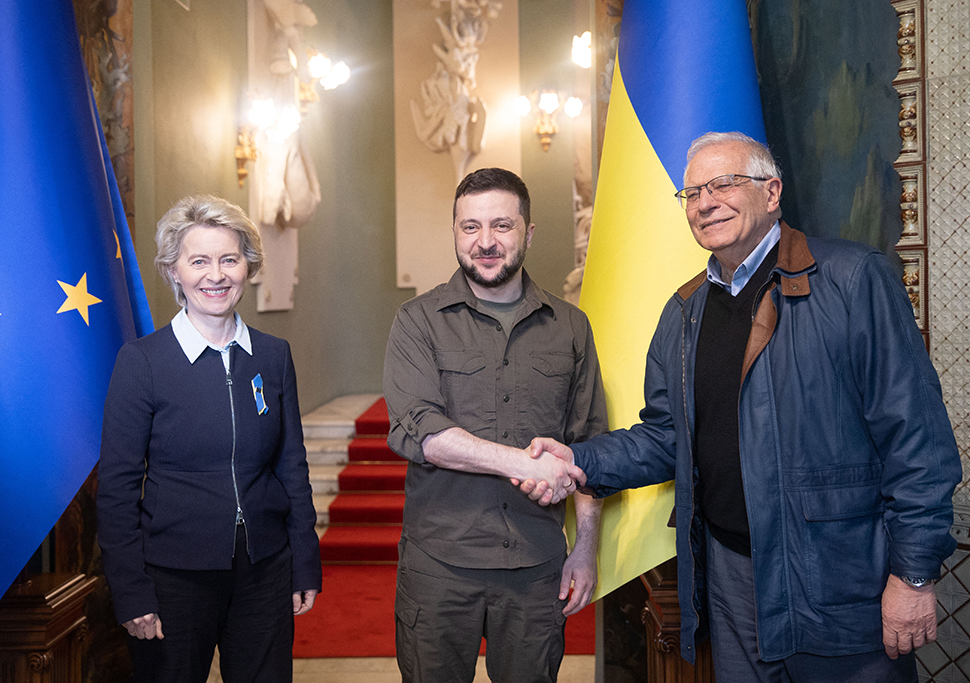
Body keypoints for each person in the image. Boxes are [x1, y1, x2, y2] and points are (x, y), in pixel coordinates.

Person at [524, 132, 961, 683]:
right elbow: (666, 438)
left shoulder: (852, 281)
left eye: (723, 183)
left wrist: (914, 575)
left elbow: (917, 440)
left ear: (772, 191)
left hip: (838, 579)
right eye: (691, 193)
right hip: (730, 580)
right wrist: (576, 460)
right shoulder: (683, 314)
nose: (705, 202)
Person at [382, 167, 607, 683]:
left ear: (528, 233)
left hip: (537, 568)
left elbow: (590, 446)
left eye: (502, 226)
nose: (485, 242)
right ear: (455, 231)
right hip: (440, 567)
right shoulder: (417, 321)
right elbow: (423, 433)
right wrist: (524, 464)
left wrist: (587, 550)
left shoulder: (571, 327)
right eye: (470, 227)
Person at [97, 195, 321, 683]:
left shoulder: (273, 355)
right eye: (198, 261)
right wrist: (131, 591)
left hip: (264, 568)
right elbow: (116, 490)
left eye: (229, 259)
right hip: (174, 576)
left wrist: (304, 559)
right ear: (174, 271)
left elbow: (291, 465)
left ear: (248, 266)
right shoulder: (142, 362)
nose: (215, 275)